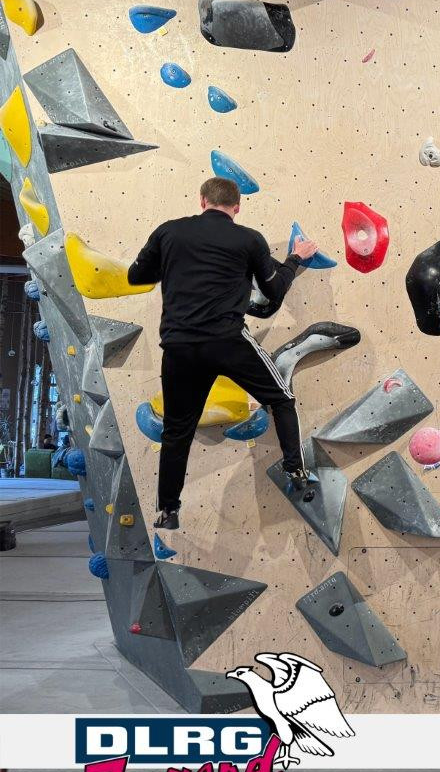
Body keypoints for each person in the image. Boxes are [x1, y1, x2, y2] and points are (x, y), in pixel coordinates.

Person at [126, 177, 318, 532]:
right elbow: (273, 291)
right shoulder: (249, 239)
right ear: (237, 208)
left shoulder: (169, 232)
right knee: (281, 398)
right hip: (228, 341)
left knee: (177, 430)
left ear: (202, 201)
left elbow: (137, 275)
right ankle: (297, 473)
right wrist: (294, 259)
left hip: (180, 347)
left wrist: (173, 264)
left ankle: (167, 510)